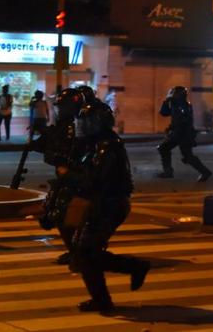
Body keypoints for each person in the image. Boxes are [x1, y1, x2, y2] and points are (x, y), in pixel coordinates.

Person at [55, 90, 150, 312]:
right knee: (86, 253)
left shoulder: (107, 146)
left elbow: (93, 179)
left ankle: (130, 272)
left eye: (88, 122)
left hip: (110, 204)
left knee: (87, 253)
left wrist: (67, 174)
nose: (84, 126)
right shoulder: (95, 144)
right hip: (101, 203)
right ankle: (108, 293)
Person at [33, 88, 85, 266]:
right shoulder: (62, 126)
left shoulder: (79, 127)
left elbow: (71, 153)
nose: (60, 110)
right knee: (57, 215)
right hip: (64, 178)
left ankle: (80, 254)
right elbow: (46, 146)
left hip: (77, 179)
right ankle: (75, 252)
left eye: (64, 107)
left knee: (66, 217)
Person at [157, 86, 212, 182]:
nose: (172, 95)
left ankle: (205, 172)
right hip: (179, 133)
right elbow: (164, 113)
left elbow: (183, 120)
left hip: (183, 134)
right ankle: (168, 172)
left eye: (174, 93)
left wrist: (173, 130)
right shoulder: (176, 104)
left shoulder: (183, 105)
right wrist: (166, 100)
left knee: (170, 150)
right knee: (171, 151)